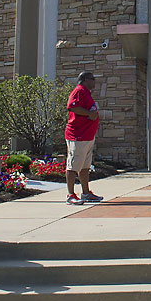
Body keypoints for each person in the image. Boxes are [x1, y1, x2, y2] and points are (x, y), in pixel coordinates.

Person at [65, 71, 102, 205]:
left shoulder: (86, 93)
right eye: (93, 79)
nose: (94, 81)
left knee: (85, 166)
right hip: (77, 135)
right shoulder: (78, 91)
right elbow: (72, 107)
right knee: (73, 165)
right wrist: (89, 114)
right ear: (85, 80)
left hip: (87, 136)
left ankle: (86, 193)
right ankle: (70, 195)